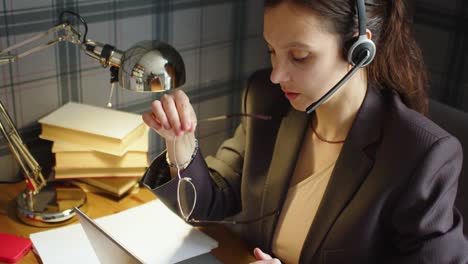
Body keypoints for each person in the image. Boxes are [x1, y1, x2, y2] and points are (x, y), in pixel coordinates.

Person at [141, 0, 468, 263]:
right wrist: (181, 147)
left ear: (359, 51)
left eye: (299, 56)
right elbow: (207, 203)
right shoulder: (267, 100)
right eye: (272, 51)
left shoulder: (421, 156)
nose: (276, 75)